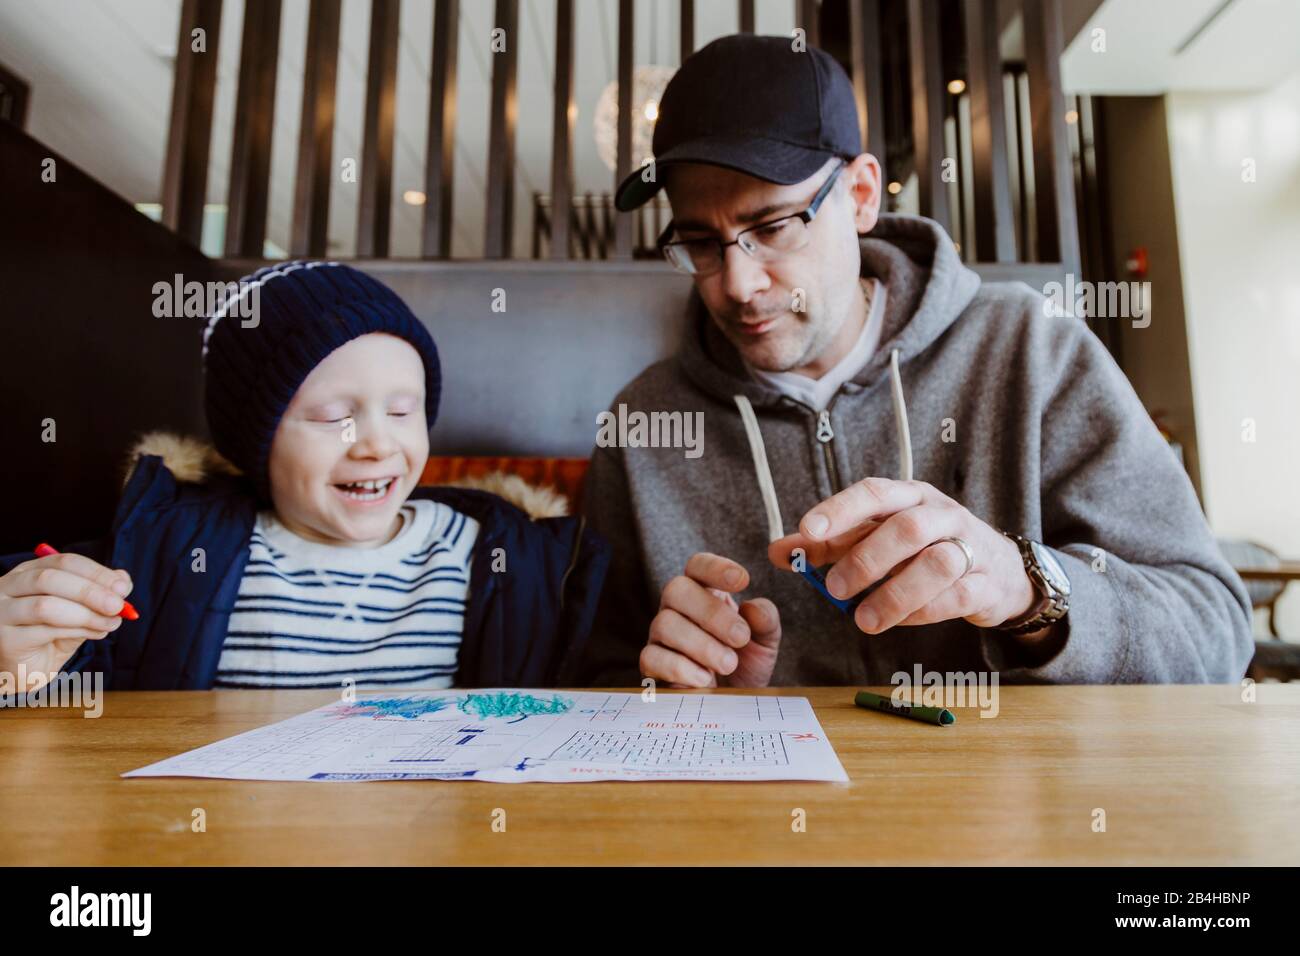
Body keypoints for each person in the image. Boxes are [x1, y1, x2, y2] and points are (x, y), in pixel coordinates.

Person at [578, 34, 1252, 687]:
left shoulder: (1028, 348)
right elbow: (593, 676)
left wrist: (1027, 592)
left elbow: (1214, 630)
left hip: (1025, 800)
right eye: (700, 242)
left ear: (862, 195)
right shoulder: (644, 424)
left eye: (774, 227)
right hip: (762, 801)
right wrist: (680, 689)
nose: (737, 283)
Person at [0, 262, 608, 694]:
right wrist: (18, 662)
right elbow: (59, 697)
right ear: (256, 446)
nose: (376, 444)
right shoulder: (169, 551)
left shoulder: (511, 558)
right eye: (333, 417)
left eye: (403, 411)